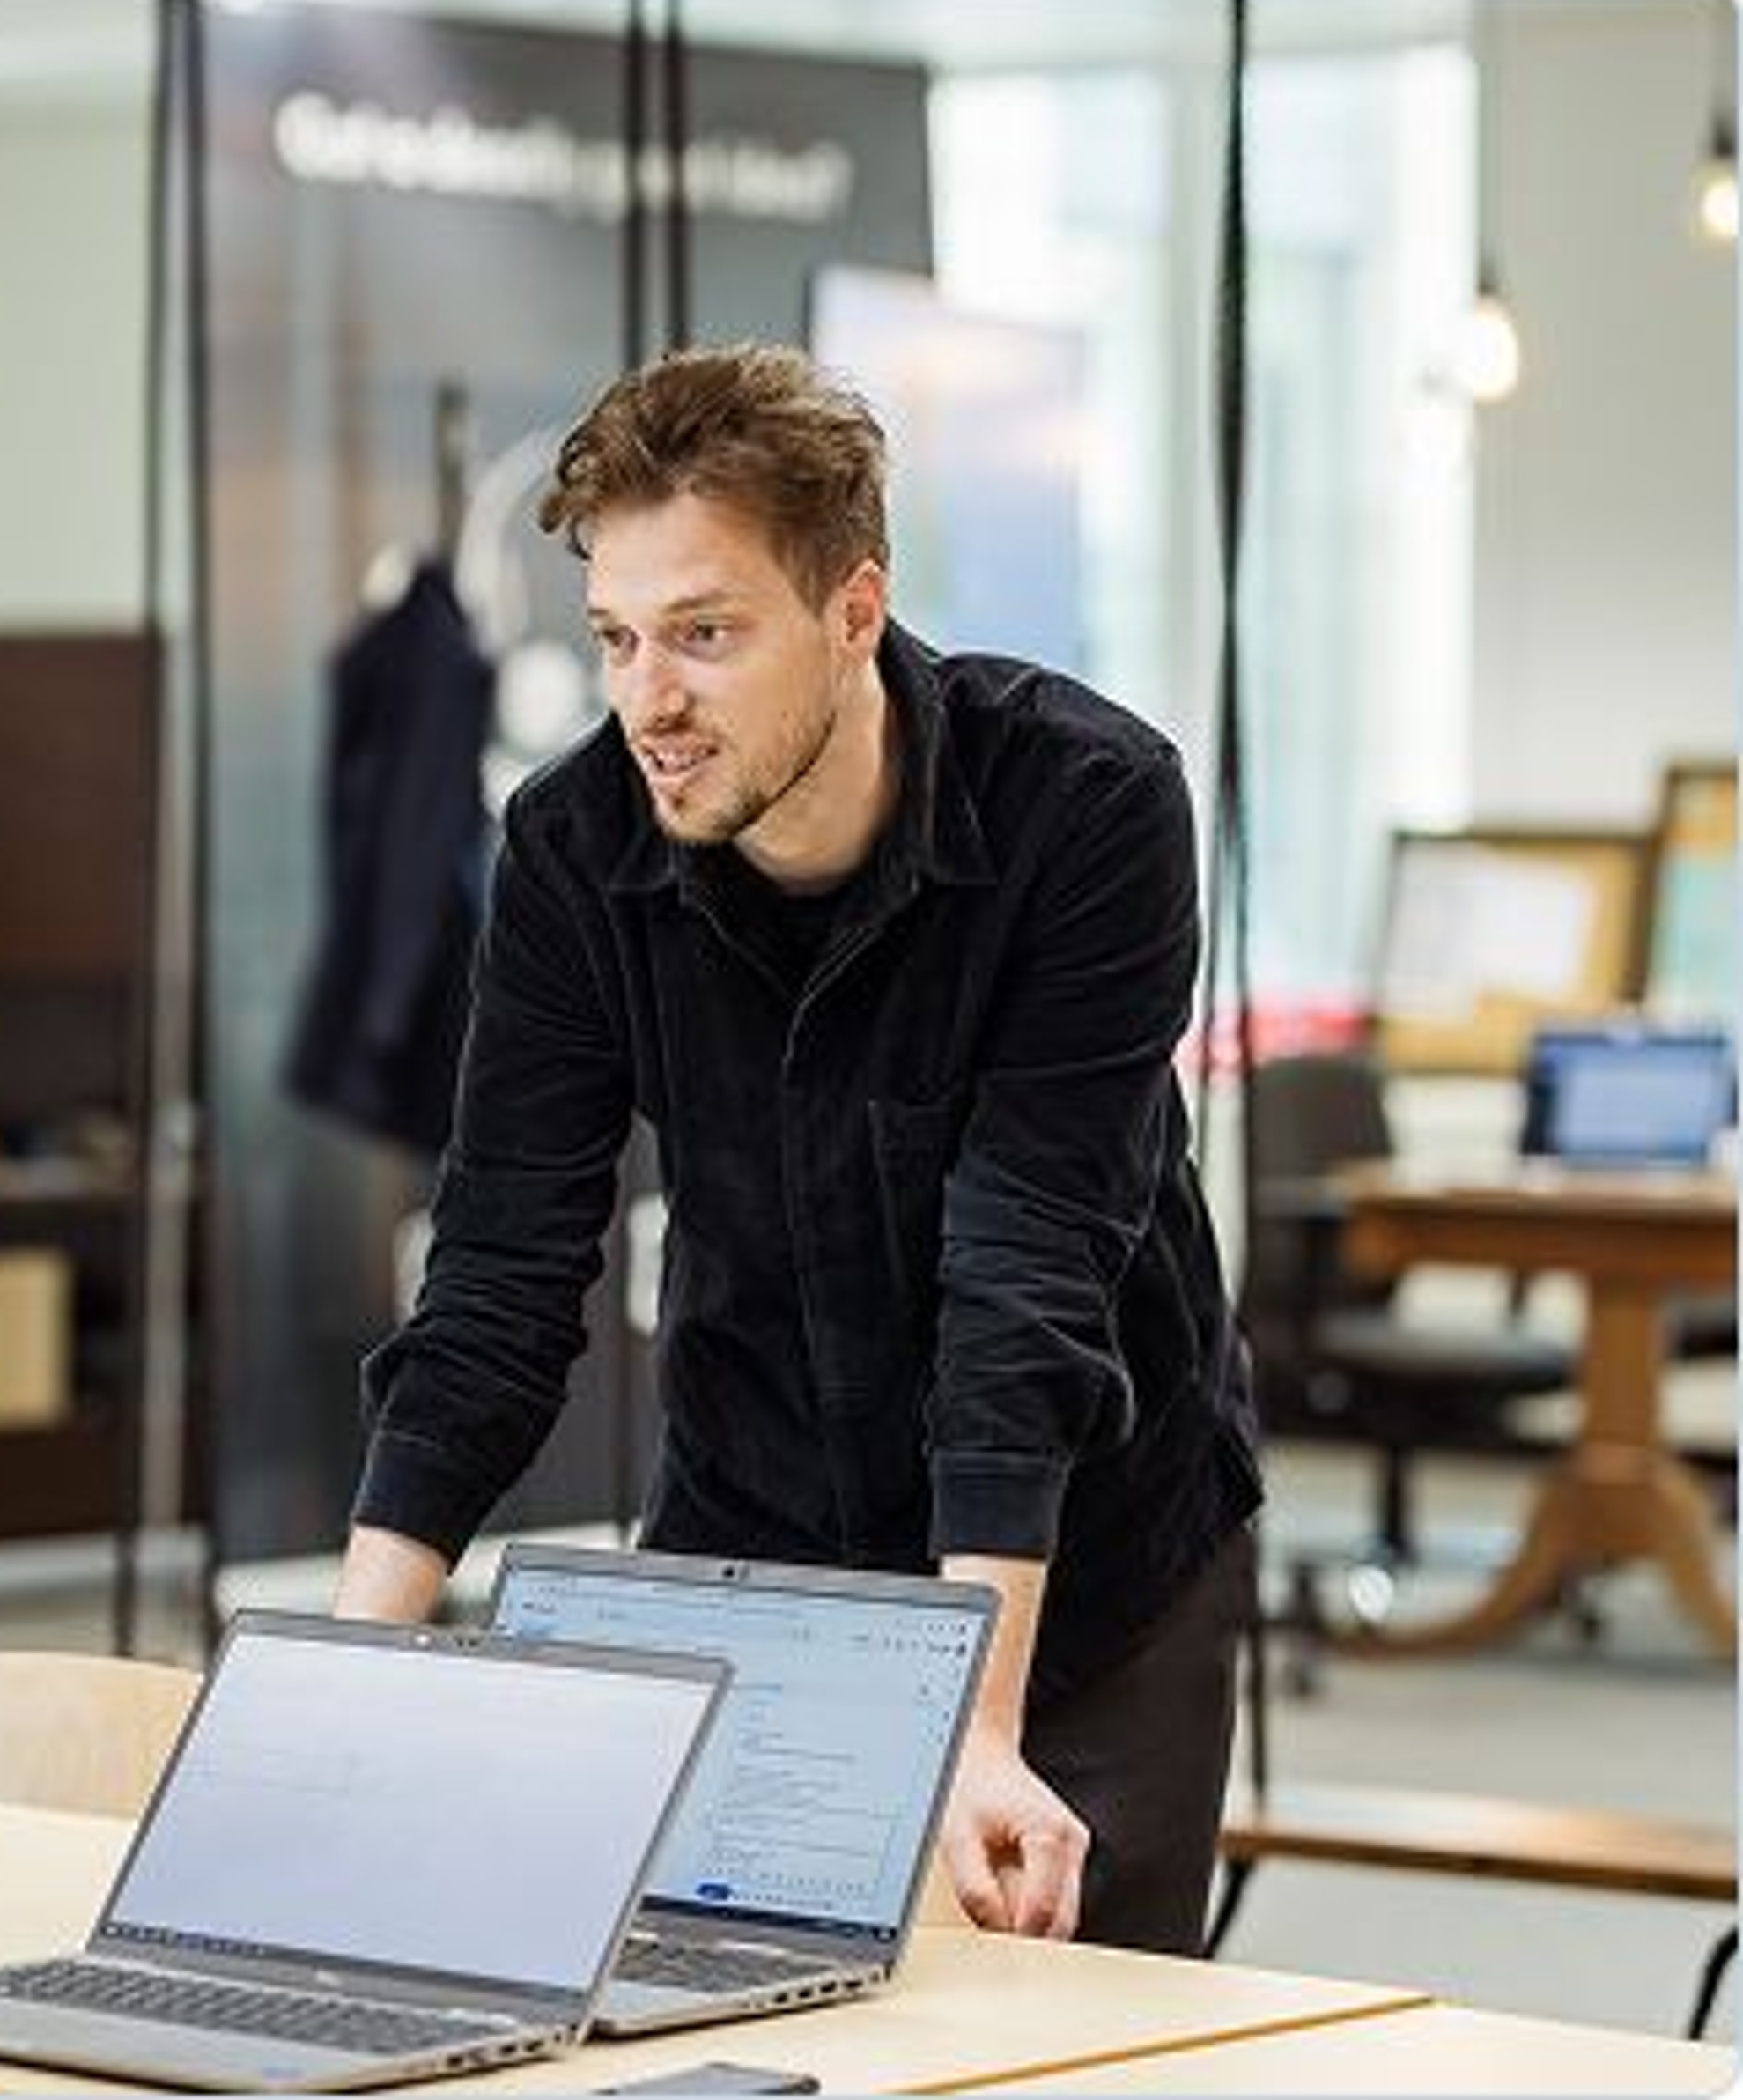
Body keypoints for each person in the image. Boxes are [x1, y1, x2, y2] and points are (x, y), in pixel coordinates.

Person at [333, 345, 1259, 1957]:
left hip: (1086, 1569)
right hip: (753, 1538)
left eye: (704, 633)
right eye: (616, 638)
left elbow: (1026, 1270)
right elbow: (498, 1276)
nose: (649, 700)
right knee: (715, 2023)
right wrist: (339, 1682)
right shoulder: (575, 852)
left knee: (1070, 2055)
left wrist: (979, 1718)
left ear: (852, 611)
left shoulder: (1086, 810)